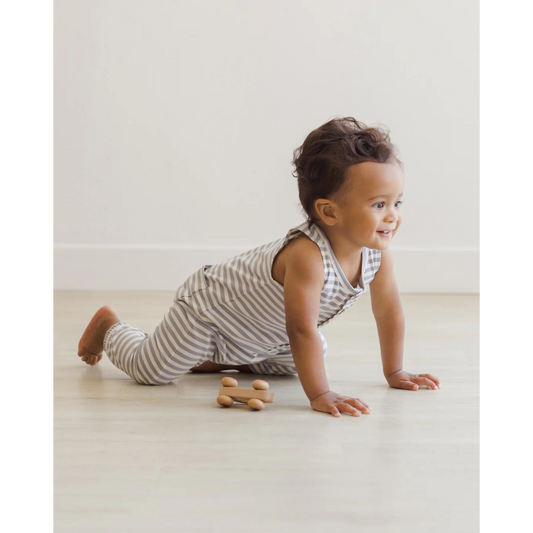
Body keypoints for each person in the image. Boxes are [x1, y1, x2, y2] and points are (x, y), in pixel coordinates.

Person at [78, 117, 440, 418]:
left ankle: (217, 357)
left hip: (263, 333)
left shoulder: (376, 254)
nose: (393, 216)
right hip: (209, 314)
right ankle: (110, 328)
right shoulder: (307, 256)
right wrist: (321, 394)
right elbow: (300, 330)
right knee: (152, 371)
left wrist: (394, 370)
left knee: (306, 358)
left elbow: (388, 311)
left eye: (397, 202)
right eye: (378, 205)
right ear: (329, 212)